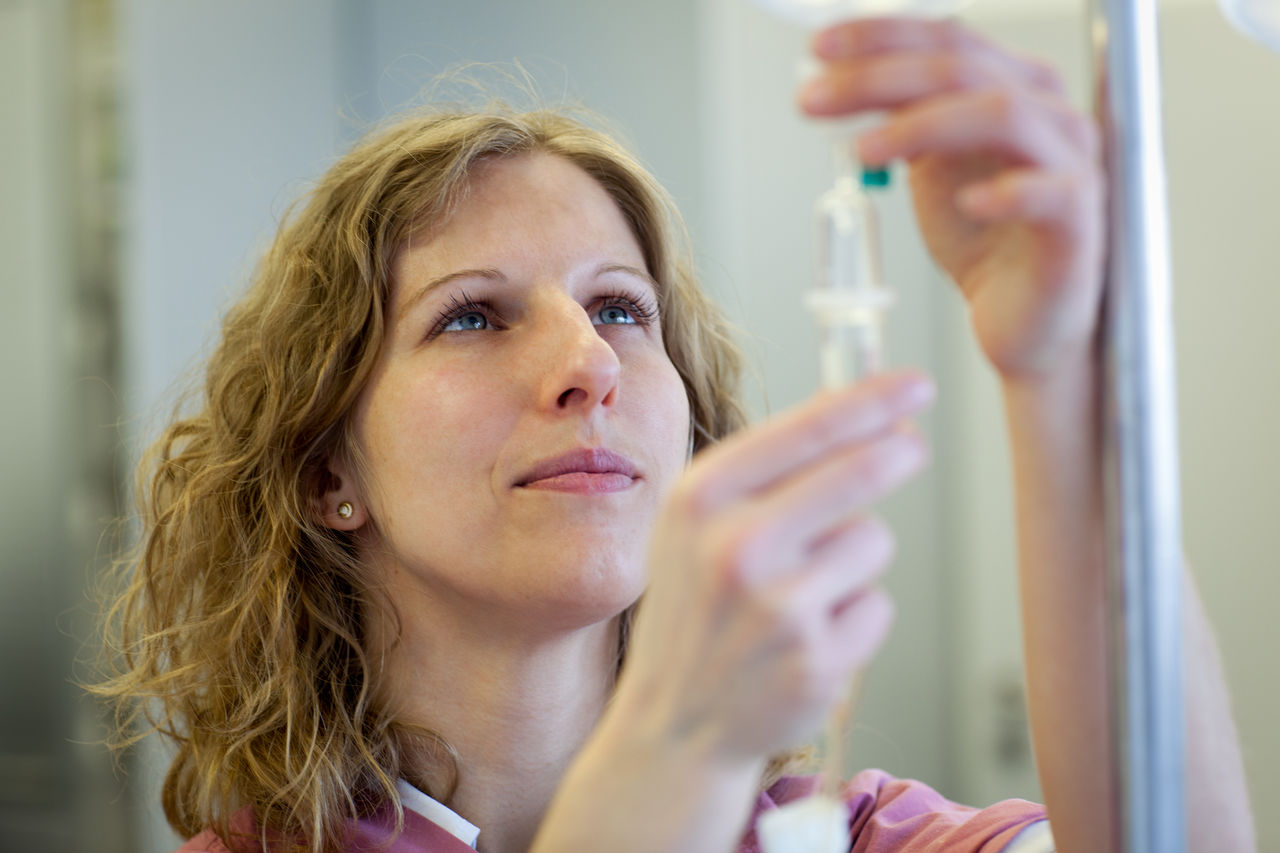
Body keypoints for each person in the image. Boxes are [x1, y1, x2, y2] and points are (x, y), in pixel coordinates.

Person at [94, 17, 1255, 853]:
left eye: (617, 308)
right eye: (472, 316)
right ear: (325, 473)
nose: (588, 363)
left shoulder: (845, 839)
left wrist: (1058, 373)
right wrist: (676, 745)